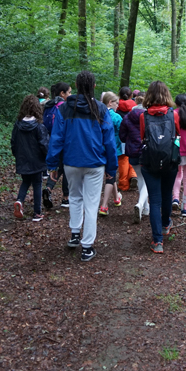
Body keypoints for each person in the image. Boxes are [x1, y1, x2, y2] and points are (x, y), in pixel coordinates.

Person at [46, 71, 117, 262]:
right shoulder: (101, 109)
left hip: (71, 162)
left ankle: (75, 233)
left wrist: (52, 165)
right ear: (93, 86)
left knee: (75, 198)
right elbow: (109, 141)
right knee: (92, 203)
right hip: (95, 162)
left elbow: (56, 138)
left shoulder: (65, 109)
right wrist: (112, 168)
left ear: (77, 86)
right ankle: (87, 246)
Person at [139, 81, 181, 254]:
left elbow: (143, 137)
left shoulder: (143, 116)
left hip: (149, 162)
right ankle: (165, 225)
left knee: (154, 200)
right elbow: (177, 134)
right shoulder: (174, 115)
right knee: (167, 194)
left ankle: (157, 242)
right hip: (170, 161)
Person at [11, 94, 50, 222]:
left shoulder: (17, 125)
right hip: (37, 160)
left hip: (23, 159)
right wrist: (48, 158)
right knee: (37, 184)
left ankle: (19, 201)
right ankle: (37, 213)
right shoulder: (39, 126)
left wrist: (16, 155)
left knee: (26, 182)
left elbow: (14, 142)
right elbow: (44, 145)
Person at [119, 97, 149, 223]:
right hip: (147, 151)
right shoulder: (149, 116)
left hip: (133, 152)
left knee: (141, 178)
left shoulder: (128, 117)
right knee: (147, 179)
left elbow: (122, 136)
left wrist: (131, 141)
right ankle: (141, 204)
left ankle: (146, 208)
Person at [43, 82, 71, 208]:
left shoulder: (48, 105)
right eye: (69, 92)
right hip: (64, 141)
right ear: (62, 93)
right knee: (65, 169)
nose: (70, 95)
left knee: (57, 167)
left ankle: (48, 189)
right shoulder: (64, 107)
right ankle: (66, 198)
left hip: (51, 139)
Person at [99, 92, 123, 216]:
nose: (118, 106)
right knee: (110, 176)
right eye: (116, 103)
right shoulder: (116, 117)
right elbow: (122, 132)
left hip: (99, 148)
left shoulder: (98, 114)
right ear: (110, 102)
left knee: (110, 173)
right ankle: (104, 206)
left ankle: (116, 198)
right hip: (113, 149)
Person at [116, 87, 137, 191]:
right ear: (131, 96)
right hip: (133, 137)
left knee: (123, 160)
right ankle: (133, 175)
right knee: (132, 157)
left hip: (121, 137)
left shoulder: (116, 107)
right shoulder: (135, 108)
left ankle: (123, 184)